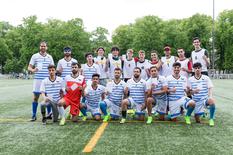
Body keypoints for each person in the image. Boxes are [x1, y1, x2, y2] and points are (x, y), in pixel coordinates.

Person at [28, 41, 54, 121]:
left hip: (47, 80)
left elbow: (52, 68)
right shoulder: (35, 56)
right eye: (41, 46)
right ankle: (33, 115)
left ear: (47, 47)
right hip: (38, 80)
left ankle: (49, 115)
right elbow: (29, 67)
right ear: (39, 47)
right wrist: (33, 70)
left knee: (48, 97)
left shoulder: (50, 57)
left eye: (44, 46)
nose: (43, 47)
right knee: (36, 97)